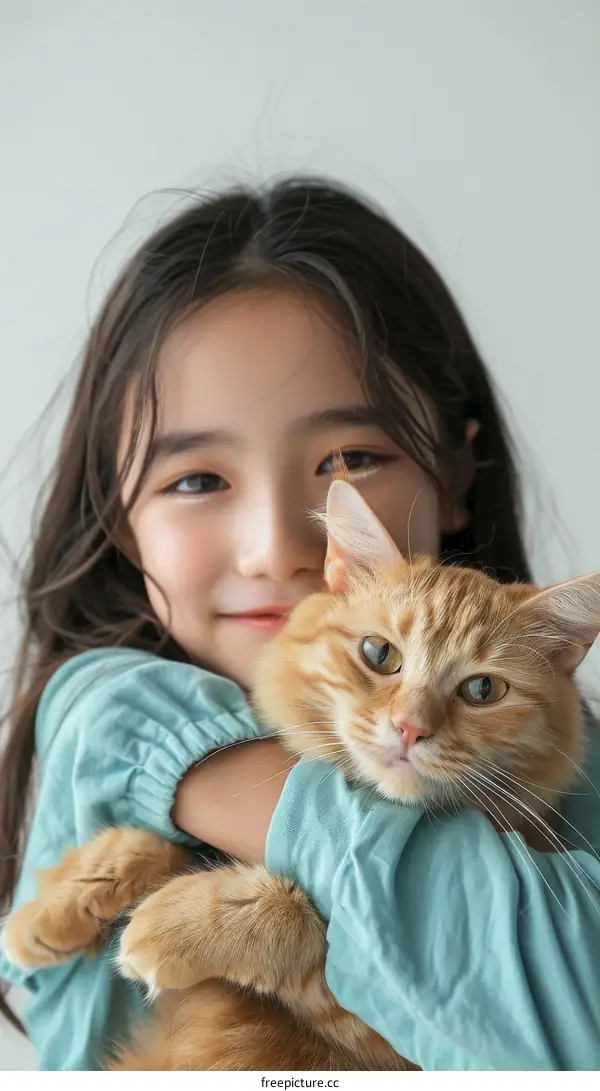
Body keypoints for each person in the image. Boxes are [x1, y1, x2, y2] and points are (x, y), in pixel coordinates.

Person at [0, 178, 599, 1072]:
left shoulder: (557, 757)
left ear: (456, 471)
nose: (280, 545)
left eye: (351, 459)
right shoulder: (104, 711)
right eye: (197, 478)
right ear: (119, 513)